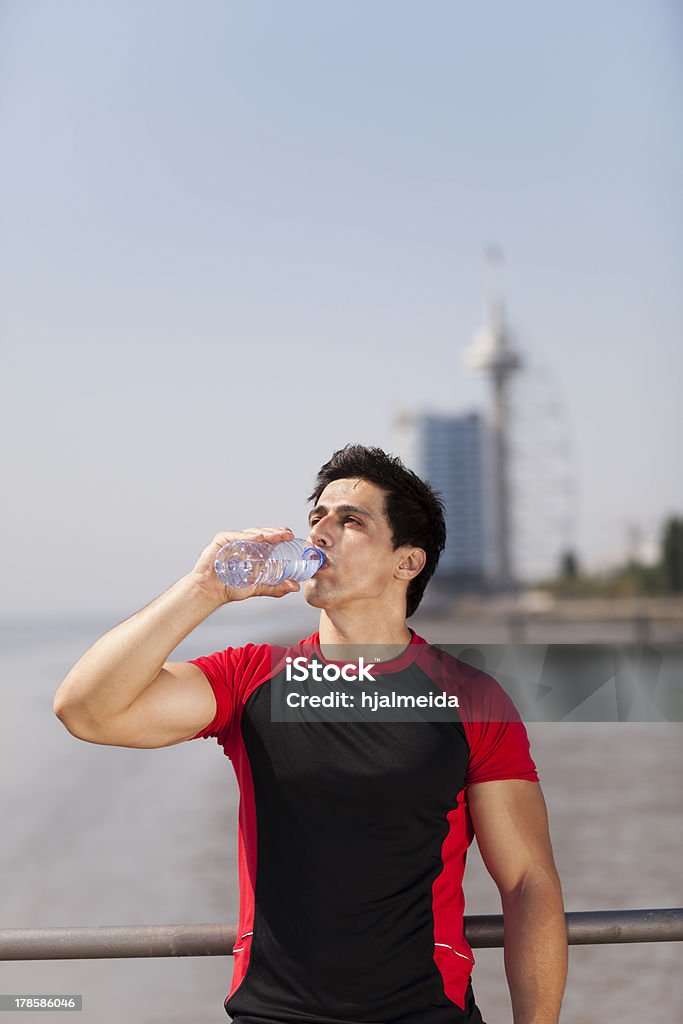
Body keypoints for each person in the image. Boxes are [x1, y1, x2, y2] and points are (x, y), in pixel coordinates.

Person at [54, 444, 567, 1024]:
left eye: (351, 521)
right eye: (317, 517)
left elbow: (528, 882)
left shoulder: (470, 698)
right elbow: (87, 709)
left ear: (407, 562)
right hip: (273, 1014)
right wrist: (204, 588)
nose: (321, 532)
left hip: (426, 1013)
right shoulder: (250, 677)